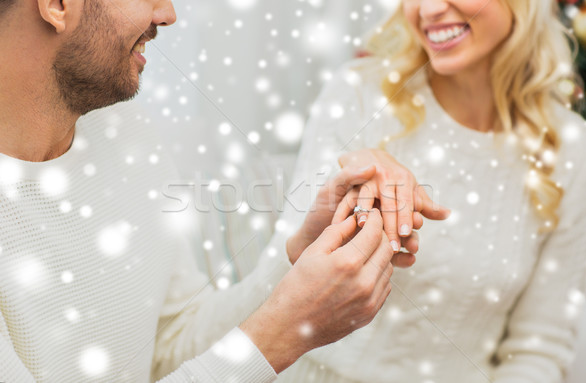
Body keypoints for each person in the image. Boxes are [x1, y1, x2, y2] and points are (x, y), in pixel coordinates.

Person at [0, 0, 450, 381]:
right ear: (57, 5)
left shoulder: (124, 129)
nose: (168, 14)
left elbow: (171, 342)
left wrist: (295, 265)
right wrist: (285, 332)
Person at [274, 0, 586, 382]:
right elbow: (283, 282)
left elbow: (537, 350)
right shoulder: (359, 94)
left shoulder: (576, 153)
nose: (427, 9)